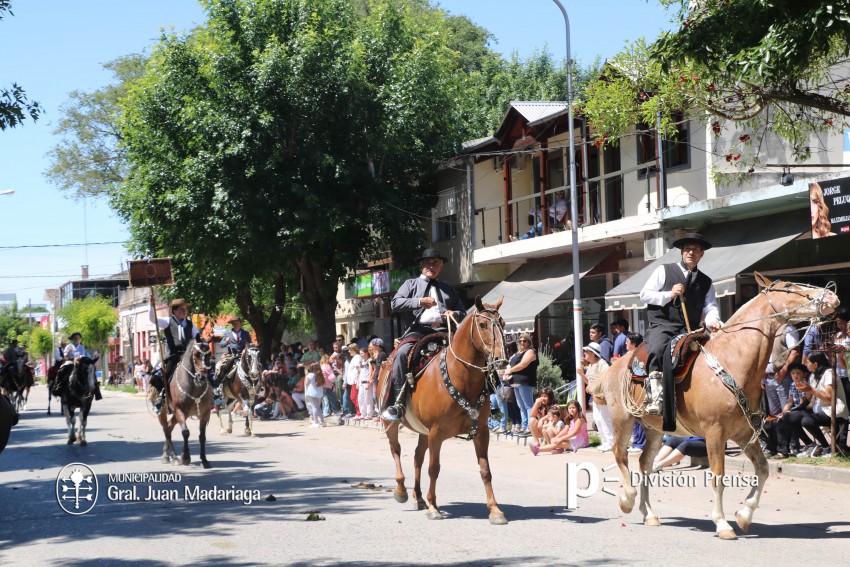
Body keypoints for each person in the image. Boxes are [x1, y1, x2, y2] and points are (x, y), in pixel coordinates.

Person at [639, 232, 722, 416]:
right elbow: (644, 294)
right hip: (663, 324)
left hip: (689, 328)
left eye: (695, 250)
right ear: (682, 253)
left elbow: (710, 307)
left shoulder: (706, 281)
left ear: (701, 254)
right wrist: (670, 294)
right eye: (687, 249)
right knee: (657, 347)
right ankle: (656, 395)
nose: (690, 252)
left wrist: (713, 320)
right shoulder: (664, 270)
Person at [382, 248, 467, 420]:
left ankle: (486, 397)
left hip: (445, 331)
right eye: (428, 262)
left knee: (472, 352)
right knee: (401, 355)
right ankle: (399, 402)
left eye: (435, 262)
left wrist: (454, 314)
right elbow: (395, 303)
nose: (431, 265)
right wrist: (419, 301)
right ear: (421, 265)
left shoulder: (448, 289)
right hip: (418, 331)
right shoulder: (411, 284)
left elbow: (462, 312)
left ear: (441, 266)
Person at [784, 352, 849, 457]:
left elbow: (828, 398)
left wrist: (811, 390)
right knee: (788, 417)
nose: (805, 364)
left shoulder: (829, 373)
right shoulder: (813, 375)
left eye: (808, 362)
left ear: (816, 363)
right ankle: (810, 445)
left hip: (834, 410)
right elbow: (810, 399)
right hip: (816, 410)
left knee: (807, 421)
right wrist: (806, 391)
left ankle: (826, 447)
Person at [148, 297, 200, 414]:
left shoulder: (191, 324)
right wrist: (151, 305)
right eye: (181, 309)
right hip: (173, 356)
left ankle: (213, 395)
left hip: (188, 356)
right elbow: (152, 319)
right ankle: (160, 399)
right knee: (162, 375)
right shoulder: (167, 321)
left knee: (203, 370)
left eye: (185, 309)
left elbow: (198, 338)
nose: (184, 311)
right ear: (174, 311)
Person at [577, 341, 612, 451]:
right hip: (596, 396)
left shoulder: (602, 364)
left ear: (593, 353)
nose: (585, 353)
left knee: (605, 419)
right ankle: (605, 442)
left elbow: (605, 379)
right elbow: (589, 382)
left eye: (586, 351)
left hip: (603, 396)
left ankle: (611, 442)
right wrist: (582, 375)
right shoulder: (591, 365)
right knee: (598, 419)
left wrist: (592, 385)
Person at [504, 332, 539, 437]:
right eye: (520, 341)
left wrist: (510, 371)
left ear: (529, 342)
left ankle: (530, 427)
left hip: (526, 382)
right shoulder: (518, 353)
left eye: (525, 341)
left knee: (528, 405)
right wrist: (507, 372)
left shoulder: (531, 352)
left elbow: (523, 364)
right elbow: (511, 365)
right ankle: (524, 427)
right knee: (521, 406)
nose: (522, 342)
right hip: (516, 382)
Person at [305, 362, 326, 428]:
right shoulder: (320, 374)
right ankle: (323, 422)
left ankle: (316, 422)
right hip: (319, 393)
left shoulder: (310, 375)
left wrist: (306, 375)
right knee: (318, 407)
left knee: (314, 407)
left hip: (312, 393)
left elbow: (307, 383)